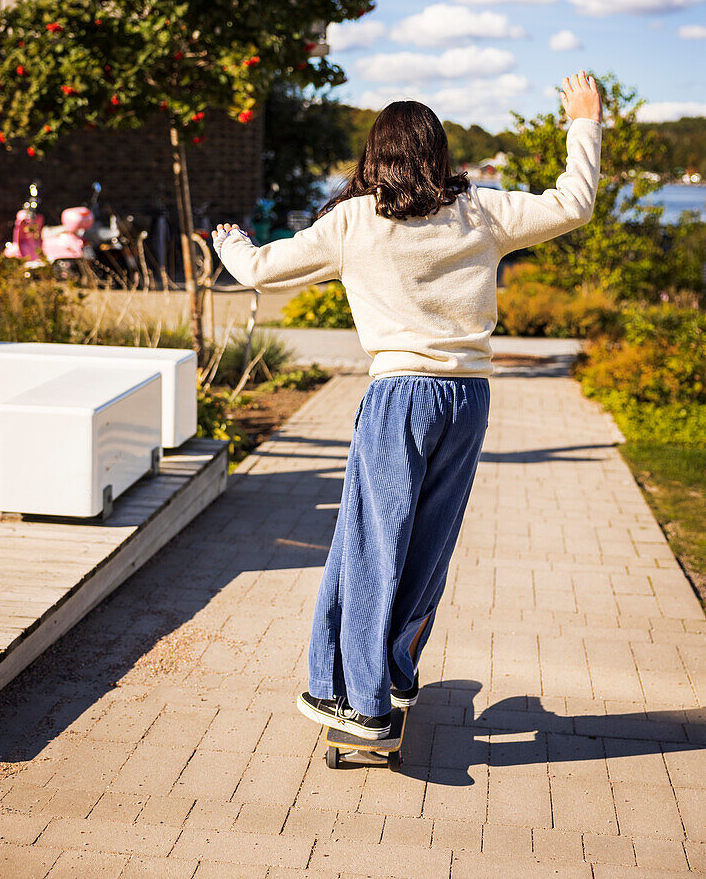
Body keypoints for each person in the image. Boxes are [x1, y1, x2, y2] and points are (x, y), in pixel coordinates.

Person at [213, 71, 602, 741]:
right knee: (428, 543)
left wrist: (230, 243)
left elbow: (257, 271)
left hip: (398, 399)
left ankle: (365, 705)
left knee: (370, 544)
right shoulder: (480, 210)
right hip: (467, 400)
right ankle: (392, 670)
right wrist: (586, 122)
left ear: (374, 158)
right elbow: (575, 204)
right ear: (438, 155)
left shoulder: (355, 221)